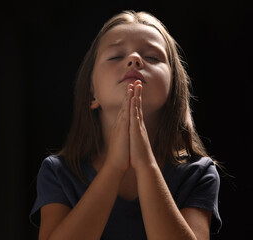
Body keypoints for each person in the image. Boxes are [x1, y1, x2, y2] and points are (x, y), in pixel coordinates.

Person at [30, 10, 222, 239]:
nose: (134, 59)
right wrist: (114, 167)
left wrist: (145, 165)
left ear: (173, 91)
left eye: (152, 57)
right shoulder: (58, 172)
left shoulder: (198, 173)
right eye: (114, 57)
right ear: (92, 92)